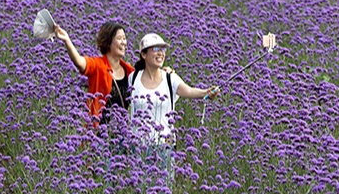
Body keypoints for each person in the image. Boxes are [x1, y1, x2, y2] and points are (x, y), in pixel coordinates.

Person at [129, 33, 219, 182]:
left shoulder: (170, 78)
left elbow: (189, 91)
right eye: (156, 49)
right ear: (143, 54)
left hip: (164, 147)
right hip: (138, 147)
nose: (161, 53)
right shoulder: (133, 78)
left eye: (163, 49)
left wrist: (207, 92)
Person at [54, 20, 133, 128]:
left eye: (124, 38)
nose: (124, 42)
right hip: (99, 134)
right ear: (108, 42)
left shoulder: (130, 71)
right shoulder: (98, 65)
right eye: (119, 38)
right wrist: (67, 40)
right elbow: (80, 62)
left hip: (124, 135)